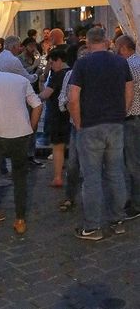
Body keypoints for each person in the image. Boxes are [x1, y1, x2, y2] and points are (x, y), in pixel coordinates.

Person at [68, 27, 133, 240]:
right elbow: (129, 90)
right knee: (116, 172)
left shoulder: (82, 64)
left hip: (90, 125)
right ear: (106, 41)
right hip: (115, 123)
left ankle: (92, 226)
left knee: (92, 177)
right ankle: (118, 219)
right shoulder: (120, 62)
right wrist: (121, 113)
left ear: (87, 43)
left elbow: (73, 97)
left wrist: (78, 123)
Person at [0, 58, 43, 236]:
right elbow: (37, 105)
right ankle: (20, 220)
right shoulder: (20, 80)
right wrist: (32, 128)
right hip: (21, 134)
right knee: (20, 178)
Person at [40, 46, 71, 188]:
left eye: (51, 63)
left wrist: (40, 85)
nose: (51, 66)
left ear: (58, 60)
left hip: (57, 115)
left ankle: (58, 177)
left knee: (57, 147)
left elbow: (45, 95)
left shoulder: (57, 75)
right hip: (71, 114)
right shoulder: (72, 72)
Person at [116, 35, 140, 218]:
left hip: (132, 118)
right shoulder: (138, 61)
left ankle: (136, 203)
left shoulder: (128, 66)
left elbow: (128, 93)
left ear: (123, 48)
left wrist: (121, 112)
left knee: (132, 163)